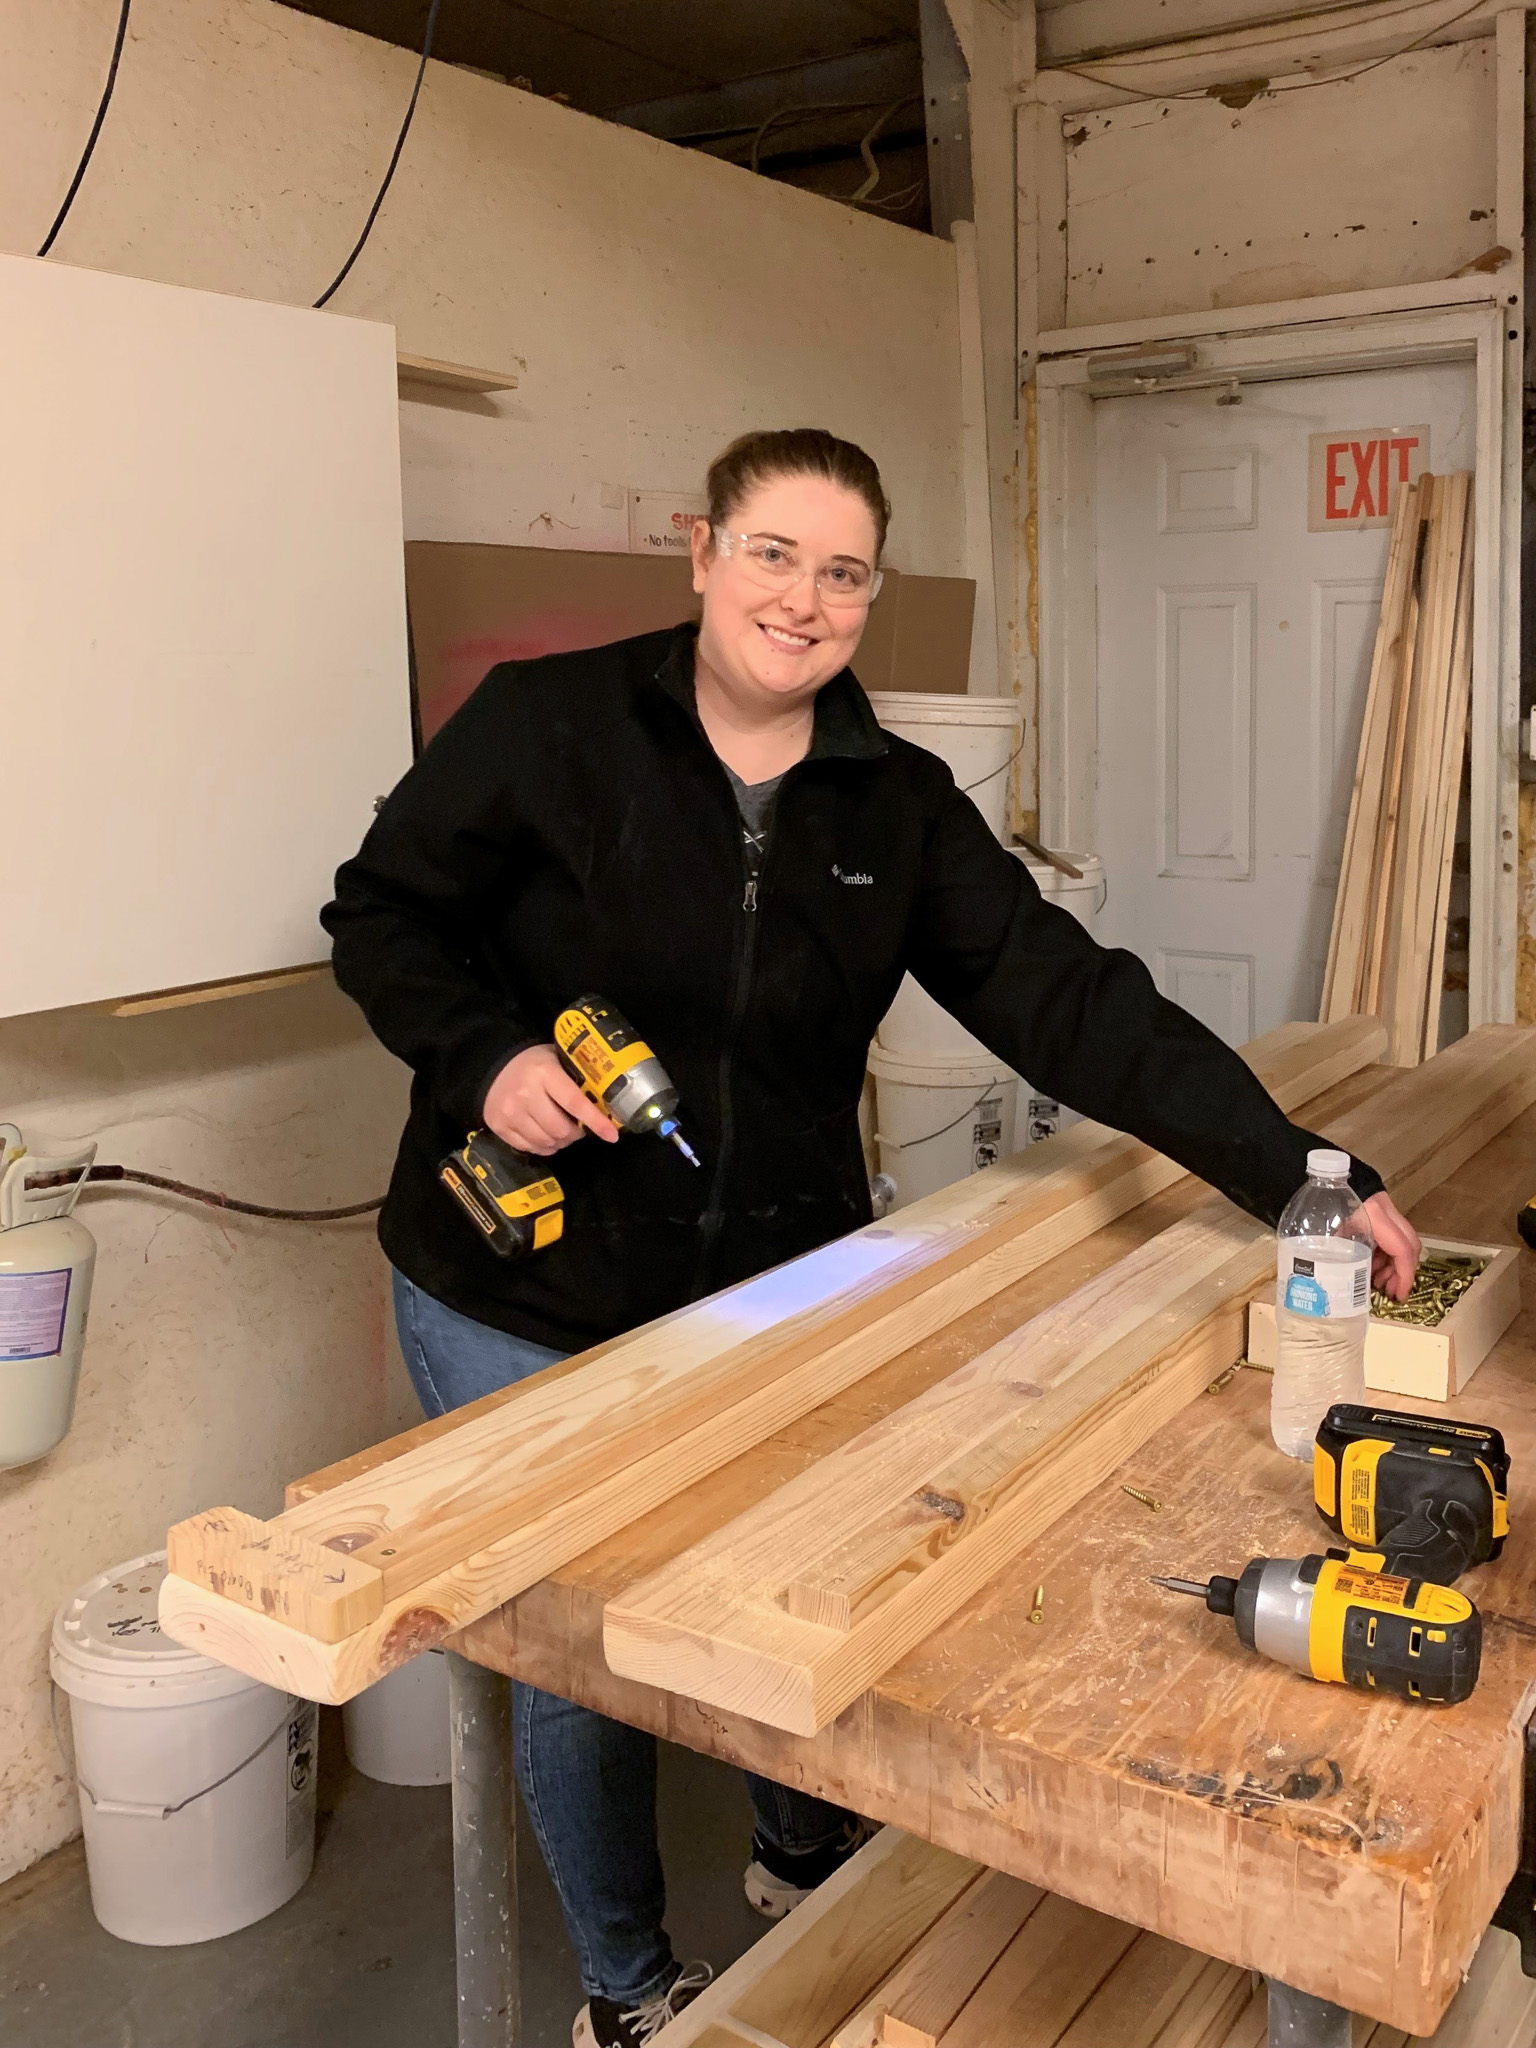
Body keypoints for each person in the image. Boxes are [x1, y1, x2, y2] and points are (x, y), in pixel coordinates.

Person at [322, 427, 1419, 2048]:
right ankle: (627, 1989)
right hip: (522, 1280)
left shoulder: (891, 804)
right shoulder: (549, 728)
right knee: (573, 1663)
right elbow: (380, 913)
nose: (802, 598)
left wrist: (1304, 1172)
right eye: (772, 554)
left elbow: (1072, 1002)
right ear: (702, 552)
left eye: (841, 572)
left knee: (787, 1570)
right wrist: (485, 1057)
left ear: (870, 597)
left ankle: (796, 1844)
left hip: (767, 1282)